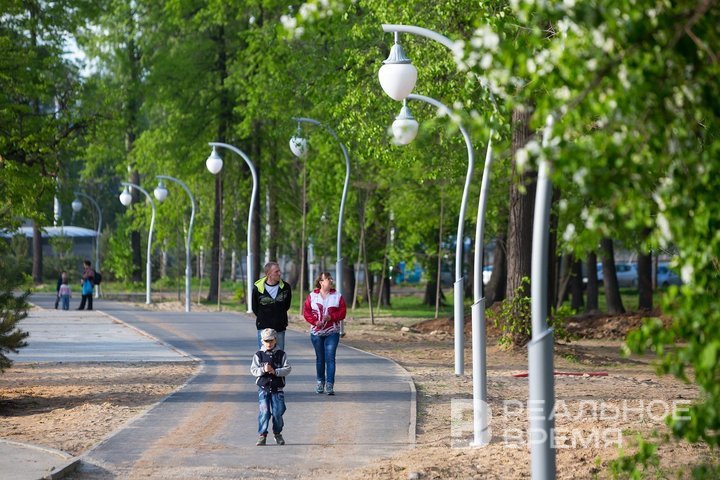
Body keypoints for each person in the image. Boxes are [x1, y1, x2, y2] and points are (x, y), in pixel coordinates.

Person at [303, 271, 347, 396]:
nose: (331, 280)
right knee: (320, 359)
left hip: (332, 332)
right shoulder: (312, 296)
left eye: (331, 278)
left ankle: (329, 384)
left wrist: (331, 317)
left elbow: (342, 313)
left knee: (330, 358)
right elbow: (306, 312)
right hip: (316, 333)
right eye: (328, 279)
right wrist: (315, 321)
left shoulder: (337, 296)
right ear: (321, 282)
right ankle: (320, 382)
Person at [250, 328, 291, 446]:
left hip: (277, 389)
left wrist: (276, 371)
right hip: (264, 389)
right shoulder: (258, 355)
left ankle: (277, 433)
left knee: (278, 412)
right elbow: (253, 370)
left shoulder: (281, 354)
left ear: (275, 340)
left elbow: (287, 368)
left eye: (271, 341)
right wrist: (263, 370)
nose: (268, 343)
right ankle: (262, 434)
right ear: (262, 341)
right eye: (266, 341)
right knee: (265, 412)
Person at [251, 262, 292, 351]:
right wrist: (263, 317)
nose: (279, 273)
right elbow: (255, 307)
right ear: (268, 274)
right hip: (263, 327)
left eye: (279, 271)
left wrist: (279, 315)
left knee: (279, 354)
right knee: (264, 354)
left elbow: (287, 305)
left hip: (279, 326)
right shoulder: (257, 288)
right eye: (276, 272)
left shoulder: (286, 287)